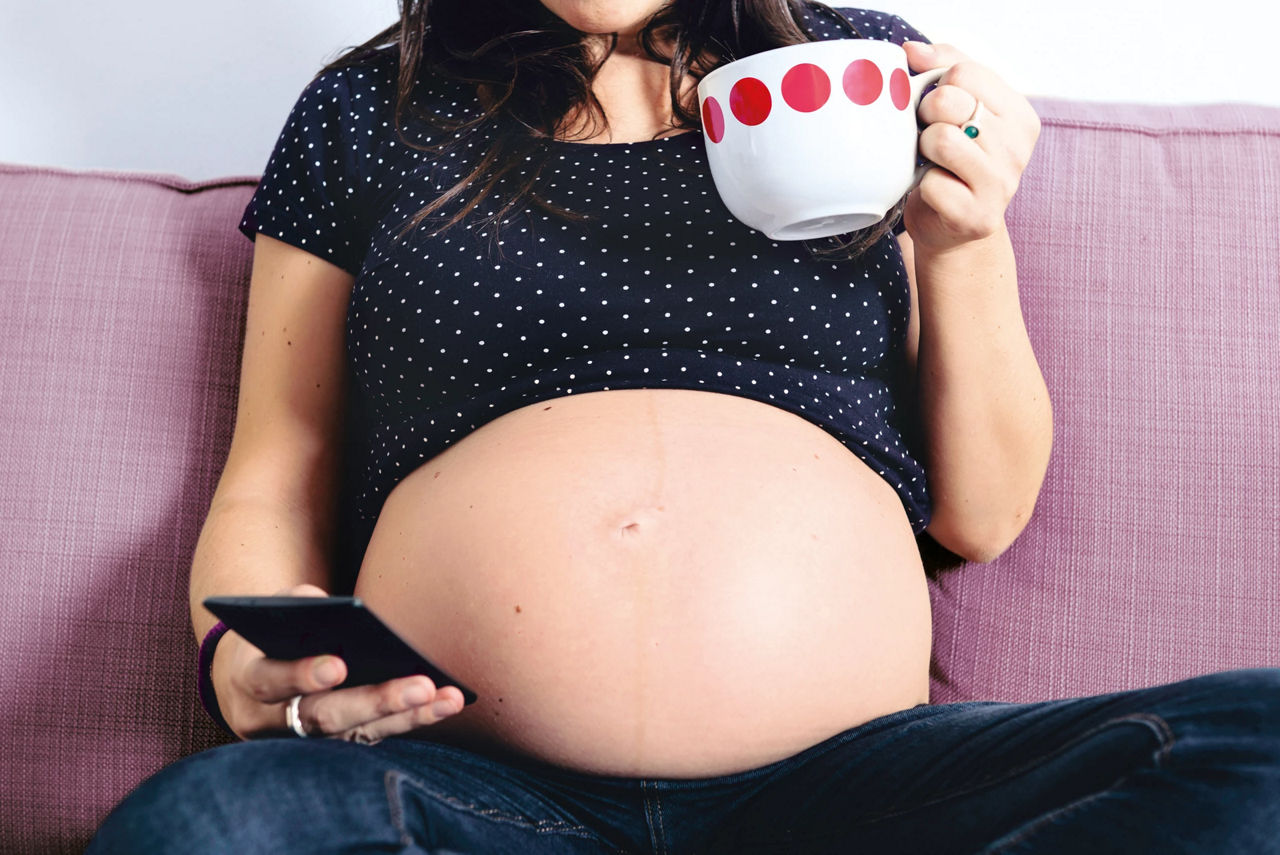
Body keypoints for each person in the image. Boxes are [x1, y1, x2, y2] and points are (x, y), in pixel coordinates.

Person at [88, 1, 1280, 852]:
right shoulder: (365, 109)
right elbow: (275, 469)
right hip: (467, 792)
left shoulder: (867, 70)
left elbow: (980, 511)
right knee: (205, 825)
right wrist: (238, 667)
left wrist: (961, 238)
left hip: (849, 798)